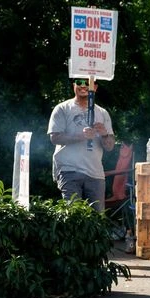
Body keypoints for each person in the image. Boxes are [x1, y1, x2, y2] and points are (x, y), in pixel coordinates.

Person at [47, 78, 115, 211]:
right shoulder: (62, 108)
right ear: (74, 86)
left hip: (95, 173)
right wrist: (81, 136)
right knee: (73, 215)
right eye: (79, 82)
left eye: (87, 83)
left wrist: (104, 134)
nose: (83, 86)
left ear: (94, 87)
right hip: (69, 170)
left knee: (97, 219)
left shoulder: (103, 113)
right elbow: (54, 138)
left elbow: (110, 146)